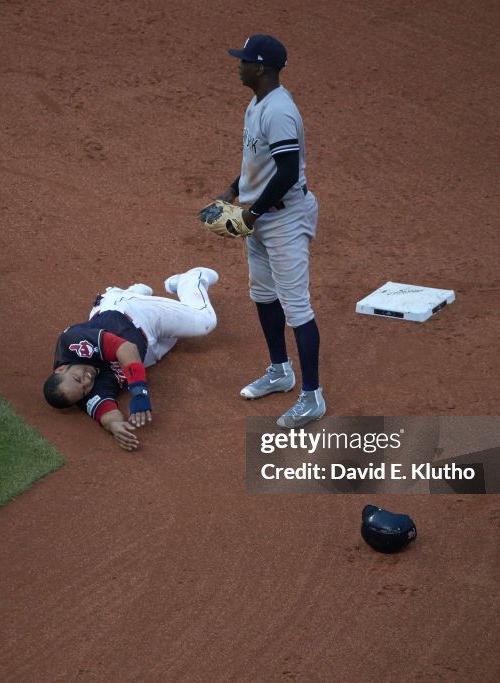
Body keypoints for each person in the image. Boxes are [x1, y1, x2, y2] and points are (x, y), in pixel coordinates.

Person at [217, 34, 326, 428]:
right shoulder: (257, 102)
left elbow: (287, 172)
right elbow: (257, 161)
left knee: (297, 307)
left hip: (284, 218)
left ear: (260, 68)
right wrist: (233, 190)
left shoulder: (278, 111)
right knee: (263, 295)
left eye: (244, 60)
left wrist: (252, 213)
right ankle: (280, 371)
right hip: (262, 217)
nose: (238, 64)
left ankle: (312, 397)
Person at [44, 267, 219, 451]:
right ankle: (134, 292)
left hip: (134, 315)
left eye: (78, 378)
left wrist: (139, 392)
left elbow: (126, 348)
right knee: (174, 335)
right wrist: (116, 427)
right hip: (145, 351)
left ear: (61, 369)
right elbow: (105, 412)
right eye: (84, 389)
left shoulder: (72, 343)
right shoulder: (75, 391)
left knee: (204, 321)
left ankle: (190, 280)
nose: (87, 381)